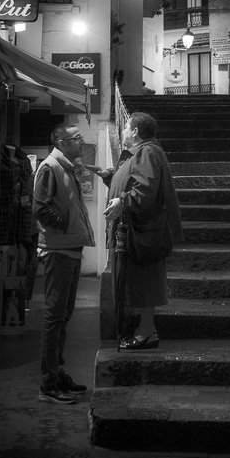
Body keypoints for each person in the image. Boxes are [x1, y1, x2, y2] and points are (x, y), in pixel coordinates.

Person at [103, 112, 183, 351]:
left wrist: (123, 201)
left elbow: (145, 190)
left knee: (147, 281)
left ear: (136, 131)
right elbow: (134, 182)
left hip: (144, 231)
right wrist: (111, 178)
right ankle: (144, 329)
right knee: (141, 281)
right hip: (140, 230)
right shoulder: (141, 153)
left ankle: (146, 332)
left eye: (126, 127)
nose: (124, 132)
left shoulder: (147, 152)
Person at [32, 124, 95, 405]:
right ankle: (48, 384)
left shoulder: (67, 167)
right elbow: (40, 209)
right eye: (76, 138)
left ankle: (57, 373)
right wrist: (65, 226)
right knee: (54, 317)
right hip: (58, 251)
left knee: (63, 315)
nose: (81, 141)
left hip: (68, 249)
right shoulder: (50, 167)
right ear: (61, 142)